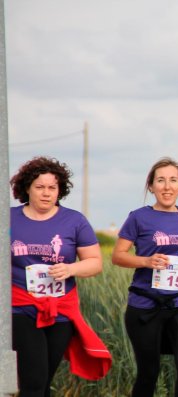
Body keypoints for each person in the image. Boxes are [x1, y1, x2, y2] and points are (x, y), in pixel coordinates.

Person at [10, 156, 111, 397]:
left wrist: (70, 269)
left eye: (52, 188)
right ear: (27, 188)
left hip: (61, 309)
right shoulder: (9, 218)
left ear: (60, 190)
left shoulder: (74, 221)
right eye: (40, 187)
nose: (46, 193)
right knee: (33, 382)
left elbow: (95, 262)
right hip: (20, 306)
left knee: (44, 382)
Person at [111, 157, 178, 397]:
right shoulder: (138, 217)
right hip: (145, 306)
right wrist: (146, 261)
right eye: (160, 180)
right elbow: (117, 256)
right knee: (149, 372)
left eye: (173, 180)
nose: (167, 186)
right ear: (151, 186)